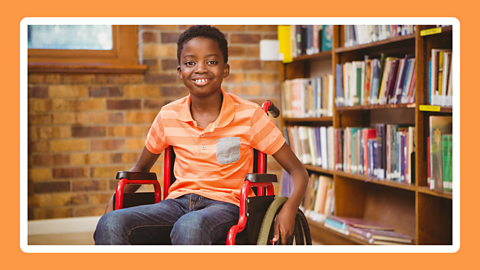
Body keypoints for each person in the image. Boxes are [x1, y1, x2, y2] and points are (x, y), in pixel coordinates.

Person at [94, 25, 308, 245]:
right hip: (176, 204)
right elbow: (140, 169)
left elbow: (298, 171)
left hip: (227, 206)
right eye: (190, 63)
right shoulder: (169, 115)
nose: (200, 69)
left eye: (212, 62)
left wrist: (289, 209)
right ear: (180, 72)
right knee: (111, 223)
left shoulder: (250, 115)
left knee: (190, 225)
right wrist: (113, 203)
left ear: (225, 69)